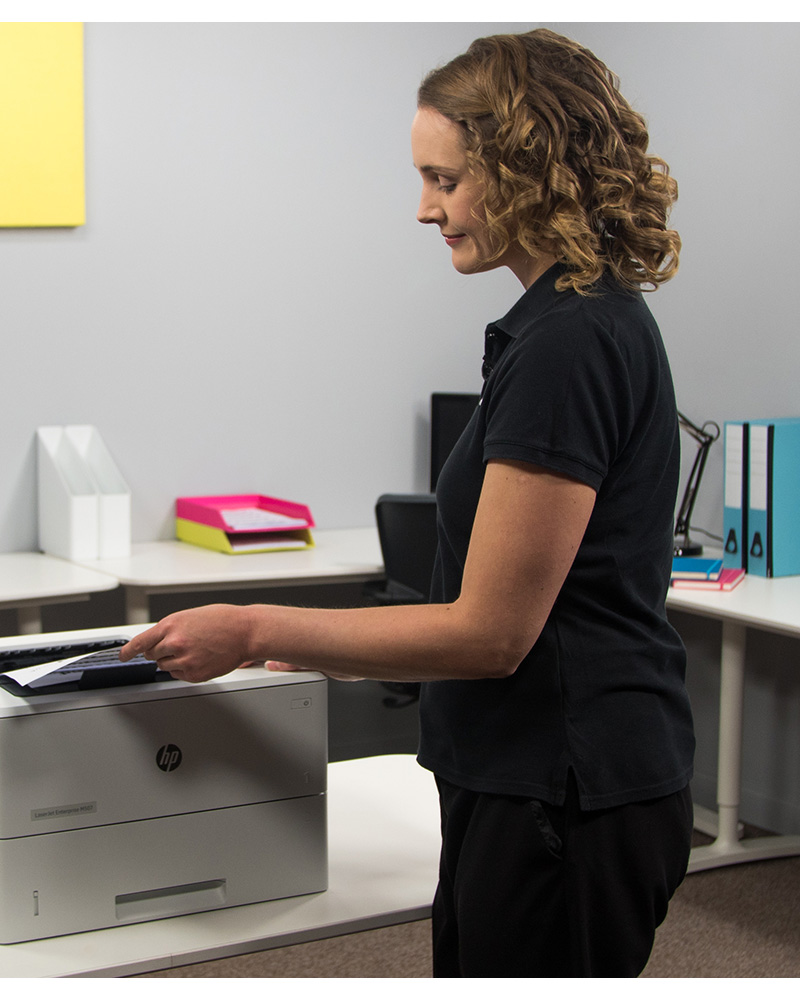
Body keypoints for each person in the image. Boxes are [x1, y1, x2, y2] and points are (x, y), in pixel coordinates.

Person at [120, 28, 695, 977]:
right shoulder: (567, 322)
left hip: (568, 785)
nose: (425, 208)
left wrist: (258, 625)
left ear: (527, 169)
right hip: (535, 772)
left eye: (446, 179)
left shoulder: (570, 344)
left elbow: (488, 635)